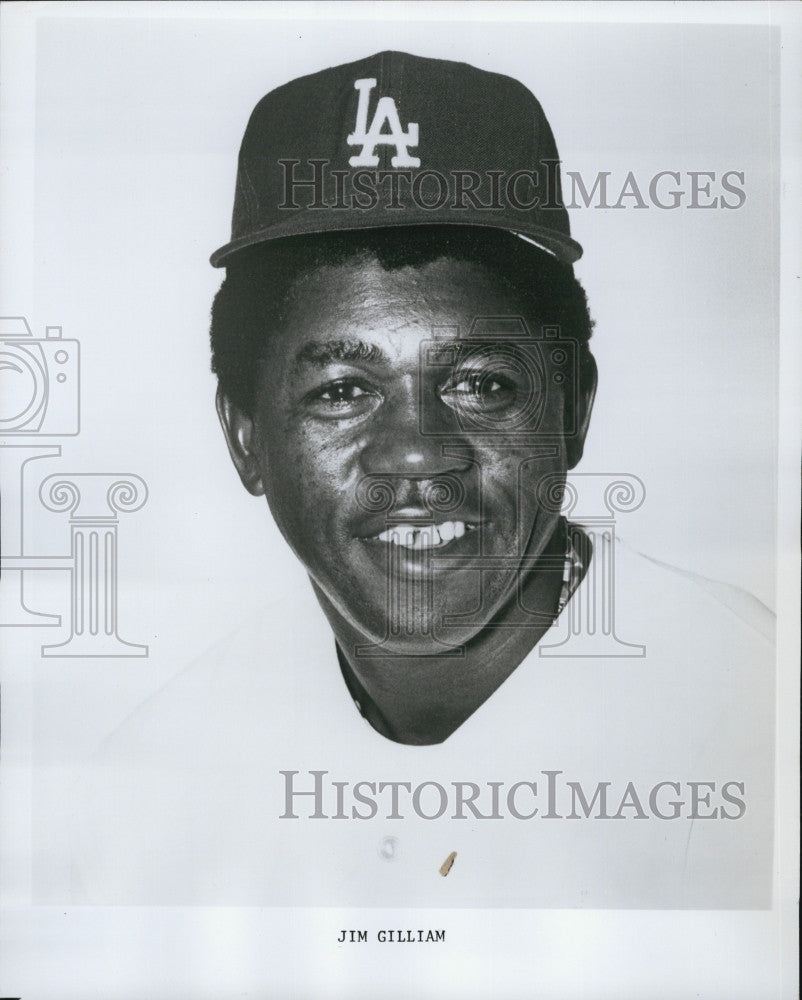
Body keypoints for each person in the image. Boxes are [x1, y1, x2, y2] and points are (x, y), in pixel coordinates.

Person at [69, 51, 774, 909]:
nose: (416, 452)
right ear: (244, 439)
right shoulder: (151, 784)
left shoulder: (756, 722)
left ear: (574, 410)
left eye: (479, 382)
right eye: (342, 391)